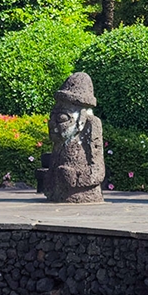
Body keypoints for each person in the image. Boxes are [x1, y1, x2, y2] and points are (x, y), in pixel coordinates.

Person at [43, 72, 106, 203]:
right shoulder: (59, 144)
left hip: (82, 193)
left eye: (62, 118)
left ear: (81, 119)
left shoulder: (92, 125)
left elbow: (98, 170)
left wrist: (76, 177)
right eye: (51, 117)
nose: (52, 124)